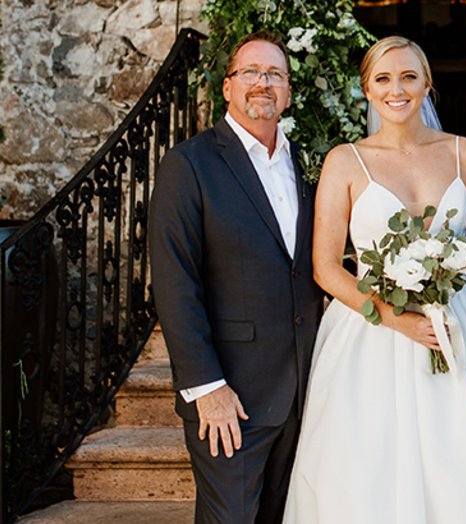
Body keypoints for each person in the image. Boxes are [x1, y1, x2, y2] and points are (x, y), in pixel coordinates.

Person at [282, 36, 466, 523]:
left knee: (458, 462)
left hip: (454, 329)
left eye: (409, 76)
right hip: (369, 331)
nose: (398, 89)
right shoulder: (345, 161)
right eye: (384, 78)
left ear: (427, 85)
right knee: (367, 471)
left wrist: (442, 286)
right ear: (367, 90)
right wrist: (397, 318)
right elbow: (325, 266)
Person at [149, 31, 323, 523]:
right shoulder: (190, 164)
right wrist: (207, 387)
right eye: (250, 72)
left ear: (288, 91)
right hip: (232, 398)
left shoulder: (305, 165)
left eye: (275, 75)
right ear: (227, 87)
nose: (262, 83)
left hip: (302, 391)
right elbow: (174, 280)